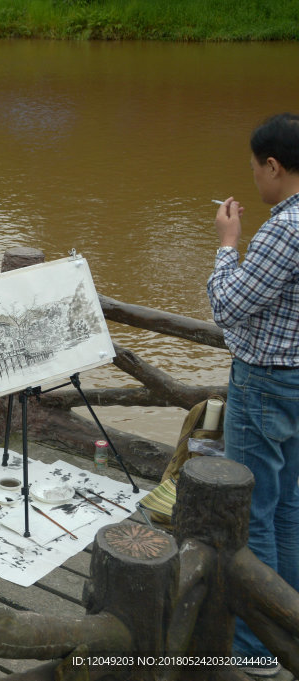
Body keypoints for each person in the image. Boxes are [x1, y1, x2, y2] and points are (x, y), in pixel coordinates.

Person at [207, 112, 299, 678]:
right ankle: (286, 624)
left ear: (272, 165)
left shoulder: (285, 228)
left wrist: (228, 242)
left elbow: (228, 304)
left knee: (252, 513)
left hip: (266, 382)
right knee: (287, 505)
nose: (254, 180)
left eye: (255, 168)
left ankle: (256, 649)